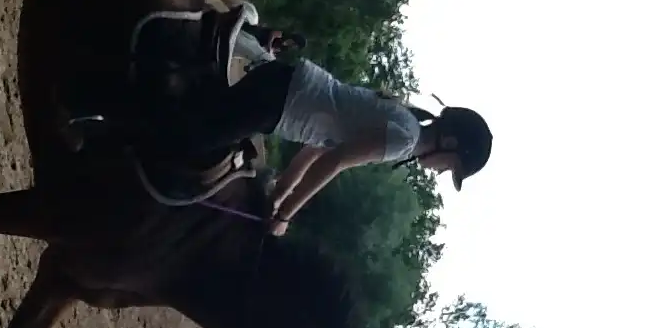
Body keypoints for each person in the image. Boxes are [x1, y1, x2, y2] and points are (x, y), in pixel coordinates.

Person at [130, 55, 493, 237]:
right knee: (190, 141)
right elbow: (335, 162)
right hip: (281, 99)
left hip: (285, 89)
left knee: (201, 135)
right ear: (448, 142)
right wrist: (286, 214)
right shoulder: (405, 139)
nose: (443, 172)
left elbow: (316, 150)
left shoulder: (406, 127)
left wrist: (275, 200)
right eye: (451, 166)